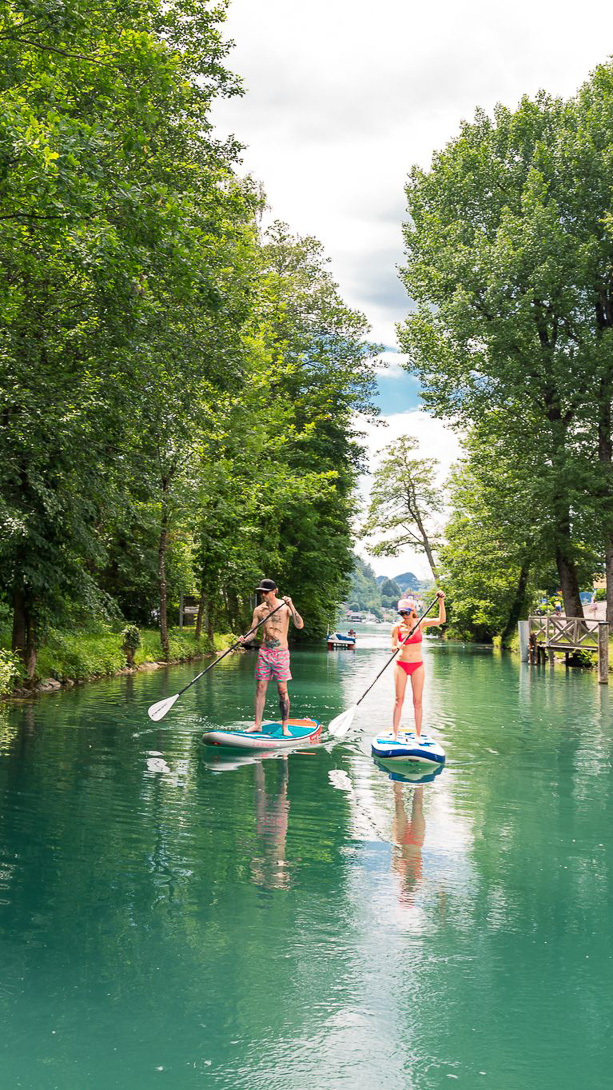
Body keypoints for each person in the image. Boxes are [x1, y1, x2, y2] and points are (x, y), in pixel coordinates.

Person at [244, 578, 304, 735]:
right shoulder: (259, 610)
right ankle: (257, 724)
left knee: (282, 690)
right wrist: (244, 638)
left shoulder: (285, 608)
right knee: (260, 687)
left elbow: (299, 625)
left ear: (274, 591)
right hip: (265, 652)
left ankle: (285, 726)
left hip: (281, 654)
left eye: (266, 592)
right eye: (261, 592)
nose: (263, 595)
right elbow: (253, 634)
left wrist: (291, 604)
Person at [391, 591, 446, 740]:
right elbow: (393, 646)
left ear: (413, 611)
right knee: (399, 700)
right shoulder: (397, 627)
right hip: (401, 665)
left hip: (417, 666)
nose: (404, 616)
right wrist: (397, 647)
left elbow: (441, 620)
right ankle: (395, 733)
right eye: (401, 613)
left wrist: (441, 601)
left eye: (407, 612)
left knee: (418, 701)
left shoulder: (421, 622)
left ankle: (418, 734)